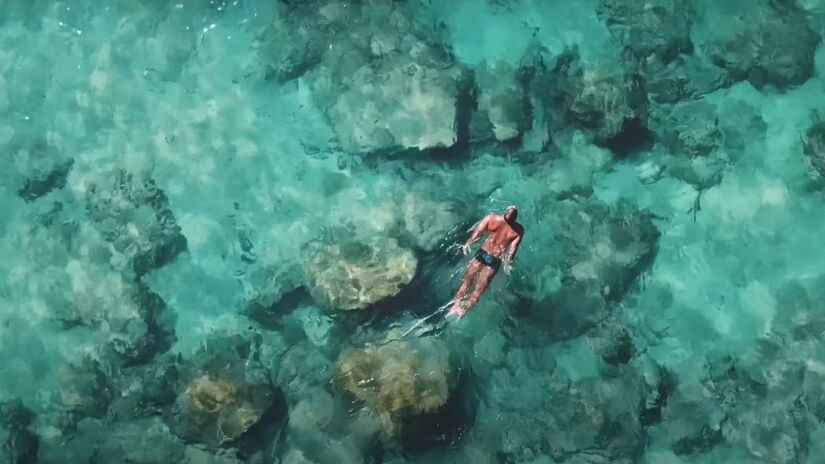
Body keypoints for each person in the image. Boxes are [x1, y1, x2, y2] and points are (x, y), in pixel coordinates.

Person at [449, 205, 524, 318]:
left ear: (505, 212)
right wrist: (508, 262)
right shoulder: (518, 230)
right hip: (494, 260)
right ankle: (464, 312)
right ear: (515, 218)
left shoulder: (491, 218)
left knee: (467, 281)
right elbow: (513, 249)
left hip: (482, 253)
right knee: (478, 290)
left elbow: (478, 231)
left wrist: (469, 243)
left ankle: (455, 306)